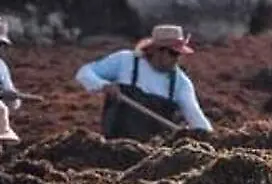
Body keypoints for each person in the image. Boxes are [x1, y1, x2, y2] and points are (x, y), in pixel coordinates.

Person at [75, 24, 213, 141]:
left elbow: (195, 115)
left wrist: (208, 137)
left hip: (152, 154)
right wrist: (103, 85)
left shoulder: (180, 83)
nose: (177, 59)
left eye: (179, 55)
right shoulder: (125, 61)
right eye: (173, 54)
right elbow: (84, 72)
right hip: (115, 146)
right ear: (157, 51)